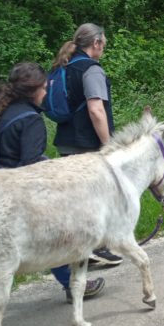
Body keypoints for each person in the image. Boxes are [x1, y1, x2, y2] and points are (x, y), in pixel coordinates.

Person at [0, 63, 104, 326]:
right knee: (46, 239)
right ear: (32, 90)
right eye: (44, 88)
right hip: (14, 197)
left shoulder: (0, 111)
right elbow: (31, 168)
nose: (46, 92)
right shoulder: (31, 120)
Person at [50, 22, 121, 268]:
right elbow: (96, 110)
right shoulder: (91, 70)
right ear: (96, 43)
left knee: (75, 200)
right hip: (87, 146)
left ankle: (77, 251)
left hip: (66, 143)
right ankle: (96, 248)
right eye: (104, 44)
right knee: (96, 199)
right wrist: (108, 145)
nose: (104, 49)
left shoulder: (65, 66)